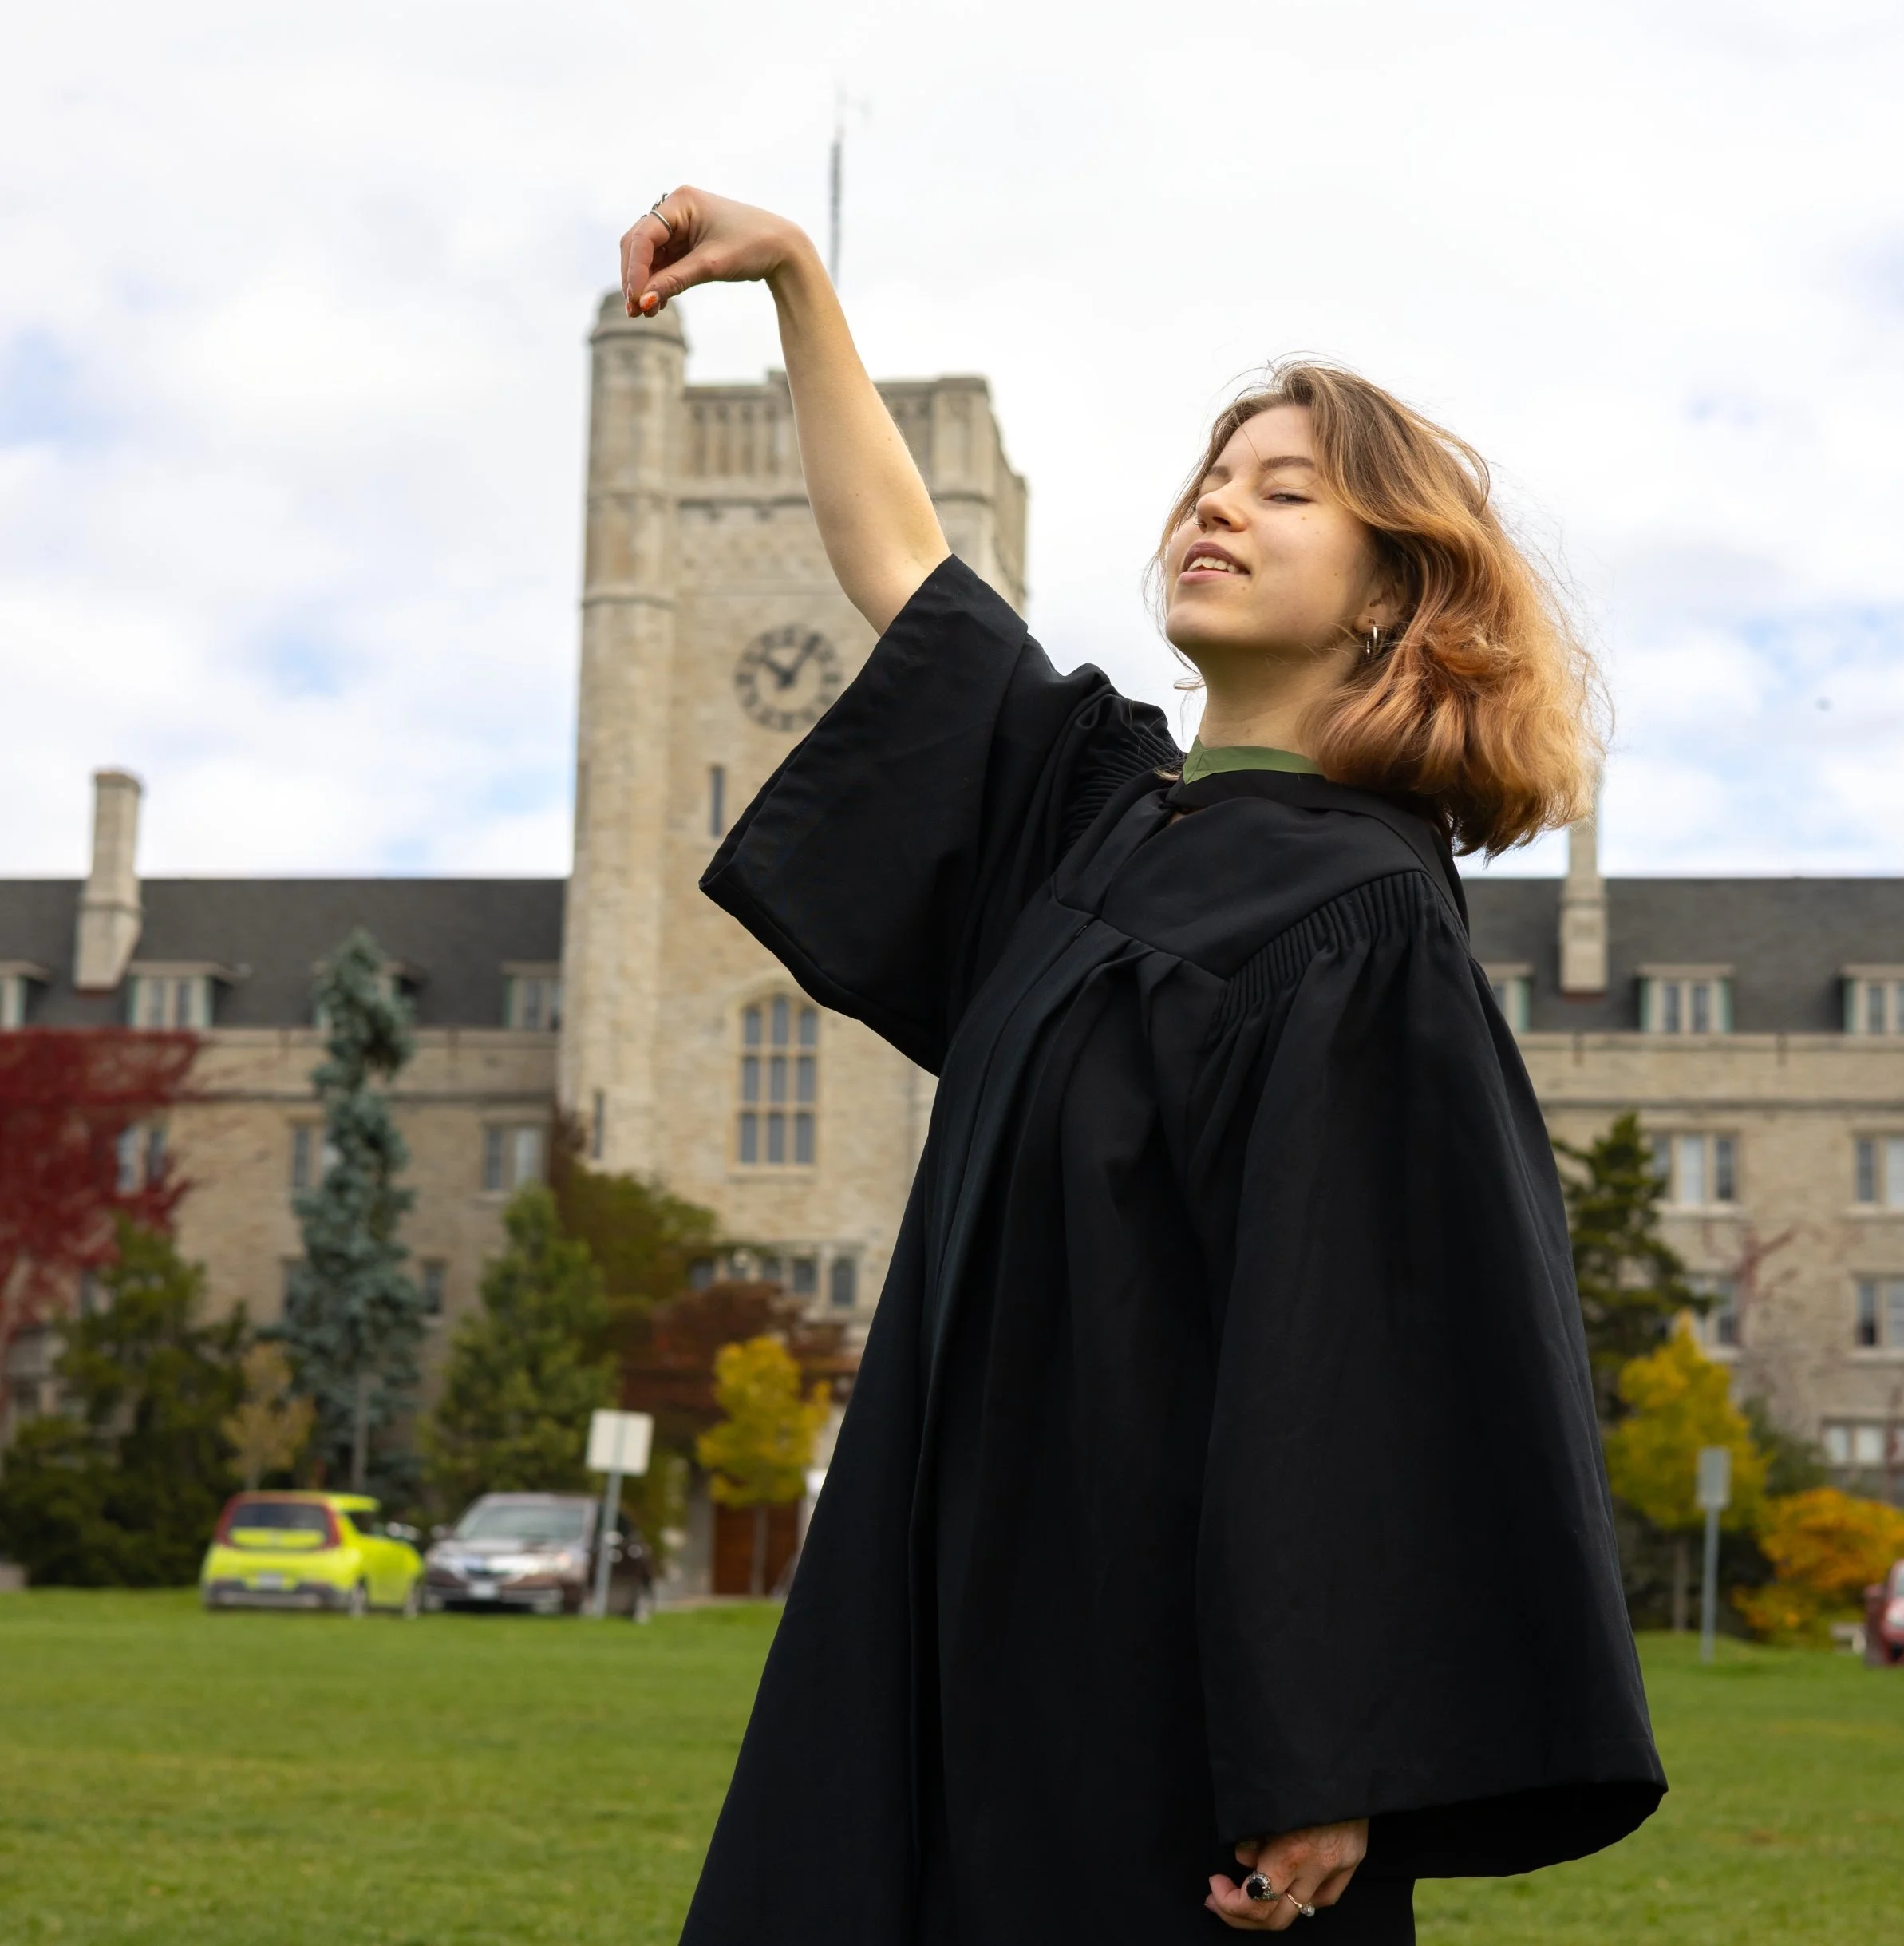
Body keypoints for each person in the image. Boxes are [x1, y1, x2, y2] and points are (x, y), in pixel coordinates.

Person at [620, 189, 1665, 1946]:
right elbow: (908, 576)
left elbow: (1360, 1362)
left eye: (1283, 488)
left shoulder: (1360, 923)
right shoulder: (1099, 821)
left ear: (1392, 590)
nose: (1216, 504)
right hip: (940, 1598)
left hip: (1139, 1691)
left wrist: (1325, 1752)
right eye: (1207, 476)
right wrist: (800, 280)